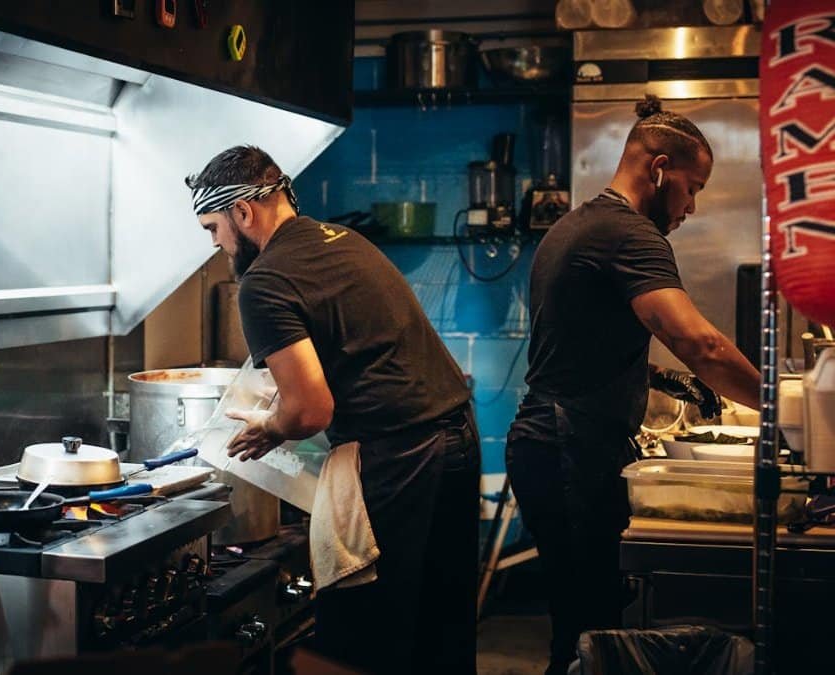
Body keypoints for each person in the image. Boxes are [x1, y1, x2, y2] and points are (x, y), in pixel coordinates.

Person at [185, 146, 481, 674]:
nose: (215, 244)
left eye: (213, 228)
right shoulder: (341, 239)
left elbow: (309, 411)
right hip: (456, 438)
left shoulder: (264, 281)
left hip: (400, 459)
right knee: (440, 630)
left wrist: (267, 429)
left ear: (243, 212)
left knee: (364, 636)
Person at [504, 95, 761, 675]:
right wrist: (782, 415)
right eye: (692, 187)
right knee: (587, 636)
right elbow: (703, 345)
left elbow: (582, 344)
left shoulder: (582, 223)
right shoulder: (629, 236)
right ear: (659, 169)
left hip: (554, 445)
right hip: (570, 453)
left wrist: (664, 378)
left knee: (584, 630)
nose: (692, 206)